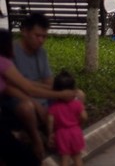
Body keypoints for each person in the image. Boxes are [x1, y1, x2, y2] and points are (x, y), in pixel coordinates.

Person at [1, 29, 79, 165]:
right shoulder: (3, 62)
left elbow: (25, 85)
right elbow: (27, 87)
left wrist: (55, 89)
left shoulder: (8, 63)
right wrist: (60, 94)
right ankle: (38, 141)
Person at [1, 13, 54, 160]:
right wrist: (37, 102)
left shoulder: (41, 53)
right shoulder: (9, 54)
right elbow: (13, 87)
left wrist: (55, 93)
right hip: (19, 99)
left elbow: (48, 81)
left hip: (39, 94)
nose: (41, 40)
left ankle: (53, 136)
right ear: (25, 31)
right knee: (27, 107)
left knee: (76, 96)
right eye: (37, 35)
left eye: (44, 36)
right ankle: (37, 140)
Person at [48, 70, 87, 166]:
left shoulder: (53, 108)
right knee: (77, 157)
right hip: (76, 132)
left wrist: (50, 133)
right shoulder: (77, 104)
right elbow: (84, 116)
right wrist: (79, 124)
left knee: (64, 159)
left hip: (62, 134)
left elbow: (50, 120)